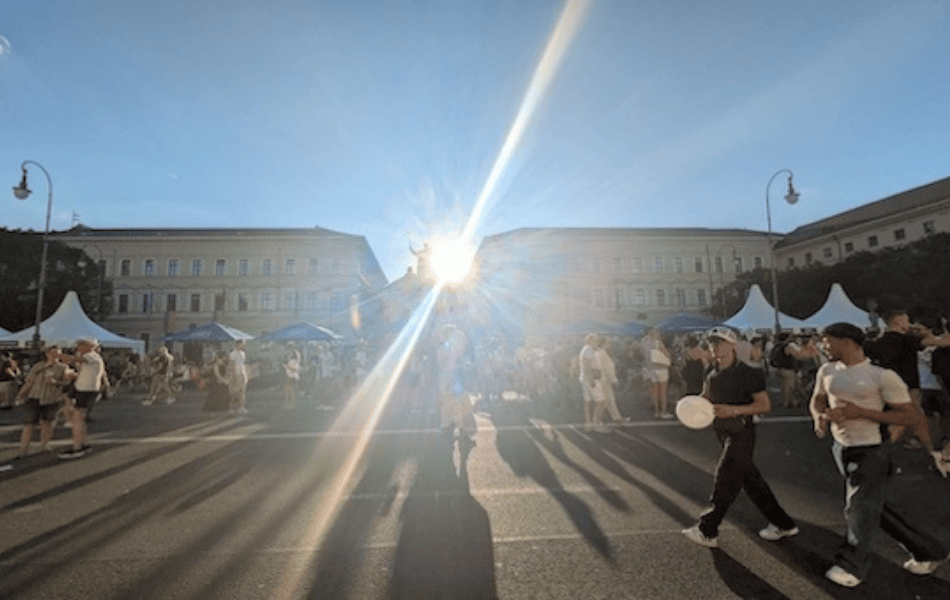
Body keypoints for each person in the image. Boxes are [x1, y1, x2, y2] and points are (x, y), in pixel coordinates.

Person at [810, 322, 950, 588]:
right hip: (842, 448)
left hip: (871, 450)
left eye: (827, 341)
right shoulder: (826, 370)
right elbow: (817, 398)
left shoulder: (881, 376)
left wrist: (860, 413)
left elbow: (910, 415)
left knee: (858, 508)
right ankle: (929, 550)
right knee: (875, 507)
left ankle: (852, 566)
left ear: (848, 342)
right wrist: (819, 417)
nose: (822, 346)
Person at [683, 327, 797, 548]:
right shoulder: (711, 371)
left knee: (725, 479)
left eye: (720, 342)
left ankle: (708, 530)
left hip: (742, 432)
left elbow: (764, 405)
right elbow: (705, 397)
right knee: (751, 482)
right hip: (722, 431)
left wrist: (733, 410)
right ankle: (783, 524)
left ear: (733, 345)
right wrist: (691, 407)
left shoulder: (749, 372)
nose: (715, 347)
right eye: (711, 343)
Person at [13, 346, 72, 458]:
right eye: (52, 353)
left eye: (57, 354)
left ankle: (44, 445)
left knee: (47, 423)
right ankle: (23, 449)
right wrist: (20, 395)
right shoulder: (38, 366)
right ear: (47, 354)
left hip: (52, 398)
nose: (55, 356)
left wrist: (55, 382)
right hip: (34, 397)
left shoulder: (63, 368)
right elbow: (29, 382)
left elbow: (66, 384)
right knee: (28, 424)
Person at [61, 338, 108, 459]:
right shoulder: (95, 357)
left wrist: (63, 356)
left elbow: (80, 359)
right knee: (79, 418)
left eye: (80, 344)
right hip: (85, 389)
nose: (78, 347)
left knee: (77, 418)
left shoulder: (91, 356)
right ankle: (83, 443)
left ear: (89, 345)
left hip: (85, 391)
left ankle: (77, 447)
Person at [437, 323, 476, 444]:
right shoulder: (448, 347)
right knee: (462, 403)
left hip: (448, 378)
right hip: (451, 378)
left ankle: (447, 428)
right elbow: (449, 364)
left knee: (450, 405)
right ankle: (460, 429)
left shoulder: (444, 347)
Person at [642, 328, 673, 419]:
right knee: (662, 392)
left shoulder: (645, 344)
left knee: (654, 391)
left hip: (650, 369)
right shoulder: (658, 343)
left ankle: (656, 411)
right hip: (661, 369)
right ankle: (663, 412)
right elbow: (667, 355)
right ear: (656, 333)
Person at [579, 333, 606, 432]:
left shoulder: (587, 349)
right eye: (596, 340)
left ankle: (588, 424)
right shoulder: (588, 350)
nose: (598, 342)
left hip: (586, 378)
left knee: (588, 401)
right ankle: (597, 424)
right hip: (591, 379)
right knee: (601, 401)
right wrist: (591, 380)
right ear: (590, 341)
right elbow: (587, 365)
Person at [228, 339, 249, 415]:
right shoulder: (233, 354)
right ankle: (231, 408)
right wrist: (233, 377)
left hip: (242, 374)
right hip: (236, 374)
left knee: (242, 391)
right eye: (243, 343)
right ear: (239, 344)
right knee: (235, 392)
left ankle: (241, 407)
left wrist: (245, 374)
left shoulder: (243, 353)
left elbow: (242, 364)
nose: (245, 345)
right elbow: (232, 366)